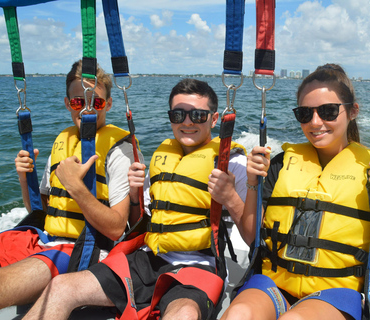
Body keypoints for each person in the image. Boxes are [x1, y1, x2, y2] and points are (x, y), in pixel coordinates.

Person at [22, 78, 249, 320]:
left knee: (182, 314)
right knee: (61, 287)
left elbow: (253, 237)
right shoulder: (162, 157)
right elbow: (139, 222)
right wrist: (134, 194)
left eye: (198, 116)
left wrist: (231, 198)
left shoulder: (233, 163)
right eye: (178, 115)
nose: (187, 122)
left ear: (214, 120)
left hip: (198, 265)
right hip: (147, 259)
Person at [220, 64, 370, 320]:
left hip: (335, 294)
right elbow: (251, 238)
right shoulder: (279, 165)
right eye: (305, 113)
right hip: (273, 285)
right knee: (237, 315)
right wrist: (251, 182)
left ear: (352, 111)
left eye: (328, 111)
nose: (315, 122)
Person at [0, 60, 142, 320]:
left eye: (96, 102)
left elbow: (116, 228)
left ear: (108, 105)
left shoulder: (118, 151)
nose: (86, 109)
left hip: (81, 250)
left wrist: (76, 187)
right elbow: (41, 211)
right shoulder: (62, 140)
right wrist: (24, 178)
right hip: (43, 239)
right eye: (78, 102)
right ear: (67, 103)